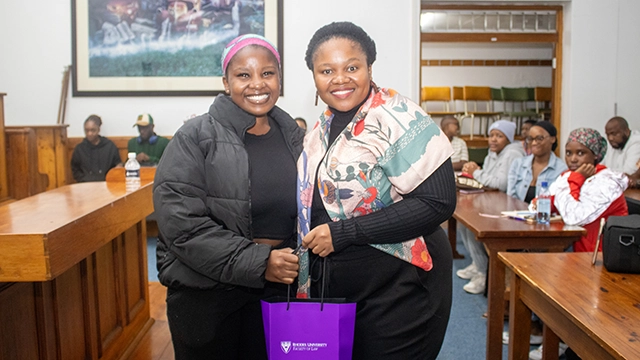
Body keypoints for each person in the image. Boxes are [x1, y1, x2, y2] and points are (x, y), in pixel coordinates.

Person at [297, 22, 456, 359]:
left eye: (352, 67)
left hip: (401, 287)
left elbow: (438, 202)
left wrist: (343, 234)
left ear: (370, 68)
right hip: (346, 286)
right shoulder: (321, 127)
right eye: (327, 70)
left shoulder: (396, 116)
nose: (340, 78)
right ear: (314, 76)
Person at [152, 34, 304, 360]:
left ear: (279, 78)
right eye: (243, 75)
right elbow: (181, 224)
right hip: (206, 293)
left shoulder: (297, 138)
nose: (257, 84)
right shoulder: (194, 137)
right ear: (226, 81)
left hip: (277, 290)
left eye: (267, 73)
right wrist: (260, 262)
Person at [527, 128, 629, 360]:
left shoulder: (606, 182)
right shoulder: (568, 177)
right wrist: (558, 194)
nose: (573, 159)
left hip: (604, 260)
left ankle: (566, 342)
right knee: (537, 271)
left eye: (581, 153)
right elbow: (539, 204)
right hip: (577, 254)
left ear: (595, 156)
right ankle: (559, 339)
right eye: (569, 153)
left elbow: (574, 215)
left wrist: (572, 181)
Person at [457, 120, 525, 294]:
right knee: (465, 225)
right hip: (492, 200)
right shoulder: (492, 153)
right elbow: (485, 179)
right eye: (491, 135)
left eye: (499, 136)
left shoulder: (512, 154)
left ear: (509, 139)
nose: (493, 140)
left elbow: (500, 183)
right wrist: (474, 172)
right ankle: (476, 263)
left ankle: (483, 274)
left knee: (476, 228)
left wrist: (476, 172)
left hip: (507, 207)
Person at [507, 121, 567, 203]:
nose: (534, 143)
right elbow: (510, 197)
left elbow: (558, 201)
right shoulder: (518, 164)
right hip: (516, 213)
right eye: (530, 139)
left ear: (552, 139)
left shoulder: (561, 169)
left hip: (545, 214)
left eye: (539, 138)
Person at [70, 114, 122, 182]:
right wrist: (83, 179)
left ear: (98, 129)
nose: (89, 133)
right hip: (85, 185)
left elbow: (118, 163)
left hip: (106, 184)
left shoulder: (109, 146)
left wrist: (118, 168)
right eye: (86, 130)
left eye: (93, 130)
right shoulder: (79, 149)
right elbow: (75, 169)